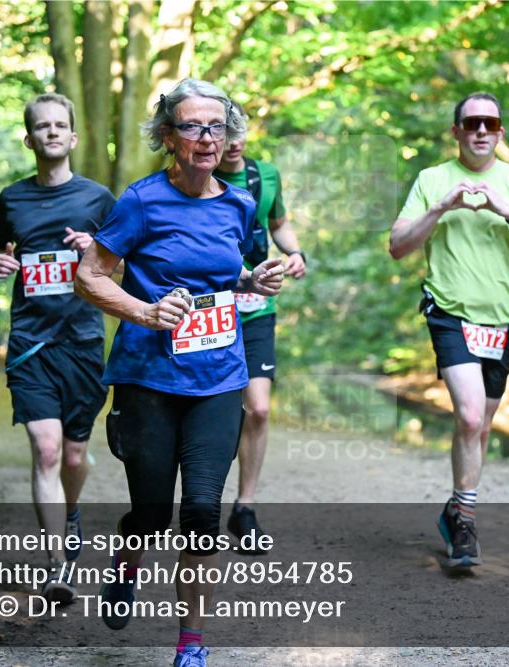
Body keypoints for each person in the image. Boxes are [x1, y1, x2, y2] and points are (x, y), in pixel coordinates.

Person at [75, 78, 283, 667]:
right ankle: (127, 562)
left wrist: (252, 281)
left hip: (218, 377)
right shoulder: (140, 201)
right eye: (192, 126)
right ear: (169, 137)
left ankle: (191, 642)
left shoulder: (240, 203)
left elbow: (229, 273)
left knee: (199, 512)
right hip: (147, 380)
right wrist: (145, 310)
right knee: (150, 514)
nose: (206, 137)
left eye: (216, 126)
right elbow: (89, 275)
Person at [389, 92, 509, 569]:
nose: (480, 131)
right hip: (449, 310)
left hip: (503, 317)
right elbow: (398, 247)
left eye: (489, 123)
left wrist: (508, 211)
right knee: (468, 417)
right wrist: (439, 208)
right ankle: (465, 521)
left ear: (500, 131)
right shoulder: (432, 180)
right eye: (471, 124)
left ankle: (454, 510)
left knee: (481, 426)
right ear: (457, 132)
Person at [0, 93, 115, 602]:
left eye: (61, 125)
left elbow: (125, 268)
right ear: (30, 138)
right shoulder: (12, 199)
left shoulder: (99, 200)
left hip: (82, 342)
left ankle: (72, 510)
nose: (52, 133)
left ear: (74, 137)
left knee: (75, 456)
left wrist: (96, 252)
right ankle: (57, 564)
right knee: (46, 448)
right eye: (43, 127)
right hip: (30, 344)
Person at [215, 102, 307, 552]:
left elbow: (279, 222)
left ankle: (244, 507)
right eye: (223, 132)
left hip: (256, 308)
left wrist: (295, 252)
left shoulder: (265, 174)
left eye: (238, 132)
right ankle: (200, 502)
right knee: (213, 411)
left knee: (260, 409)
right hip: (209, 310)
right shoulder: (196, 177)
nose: (232, 142)